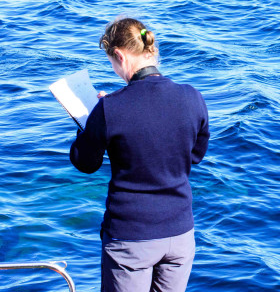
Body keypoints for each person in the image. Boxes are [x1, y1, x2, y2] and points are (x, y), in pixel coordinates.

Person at [70, 17, 210, 292]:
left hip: (131, 238)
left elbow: (85, 162)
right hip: (180, 235)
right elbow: (195, 155)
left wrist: (88, 123)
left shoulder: (109, 109)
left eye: (111, 62)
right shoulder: (193, 97)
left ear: (119, 55)